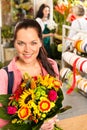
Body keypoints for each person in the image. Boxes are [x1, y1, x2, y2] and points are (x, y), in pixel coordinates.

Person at [0, 19, 59, 130]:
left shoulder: (51, 66)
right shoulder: (4, 76)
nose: (27, 50)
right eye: (21, 43)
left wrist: (52, 118)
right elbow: (2, 123)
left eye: (33, 43)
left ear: (41, 42)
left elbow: (55, 101)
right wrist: (35, 127)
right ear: (14, 43)